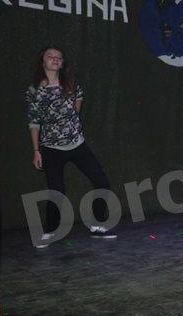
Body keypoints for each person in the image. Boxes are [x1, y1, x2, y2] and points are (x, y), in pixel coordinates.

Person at [26, 46, 116, 248]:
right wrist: (36, 150)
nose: (55, 59)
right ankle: (49, 231)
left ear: (62, 62)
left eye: (59, 57)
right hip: (51, 148)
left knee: (102, 182)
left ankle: (97, 225)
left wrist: (73, 120)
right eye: (50, 56)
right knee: (57, 192)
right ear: (43, 61)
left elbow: (79, 98)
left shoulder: (71, 84)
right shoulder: (34, 90)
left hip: (77, 144)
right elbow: (34, 122)